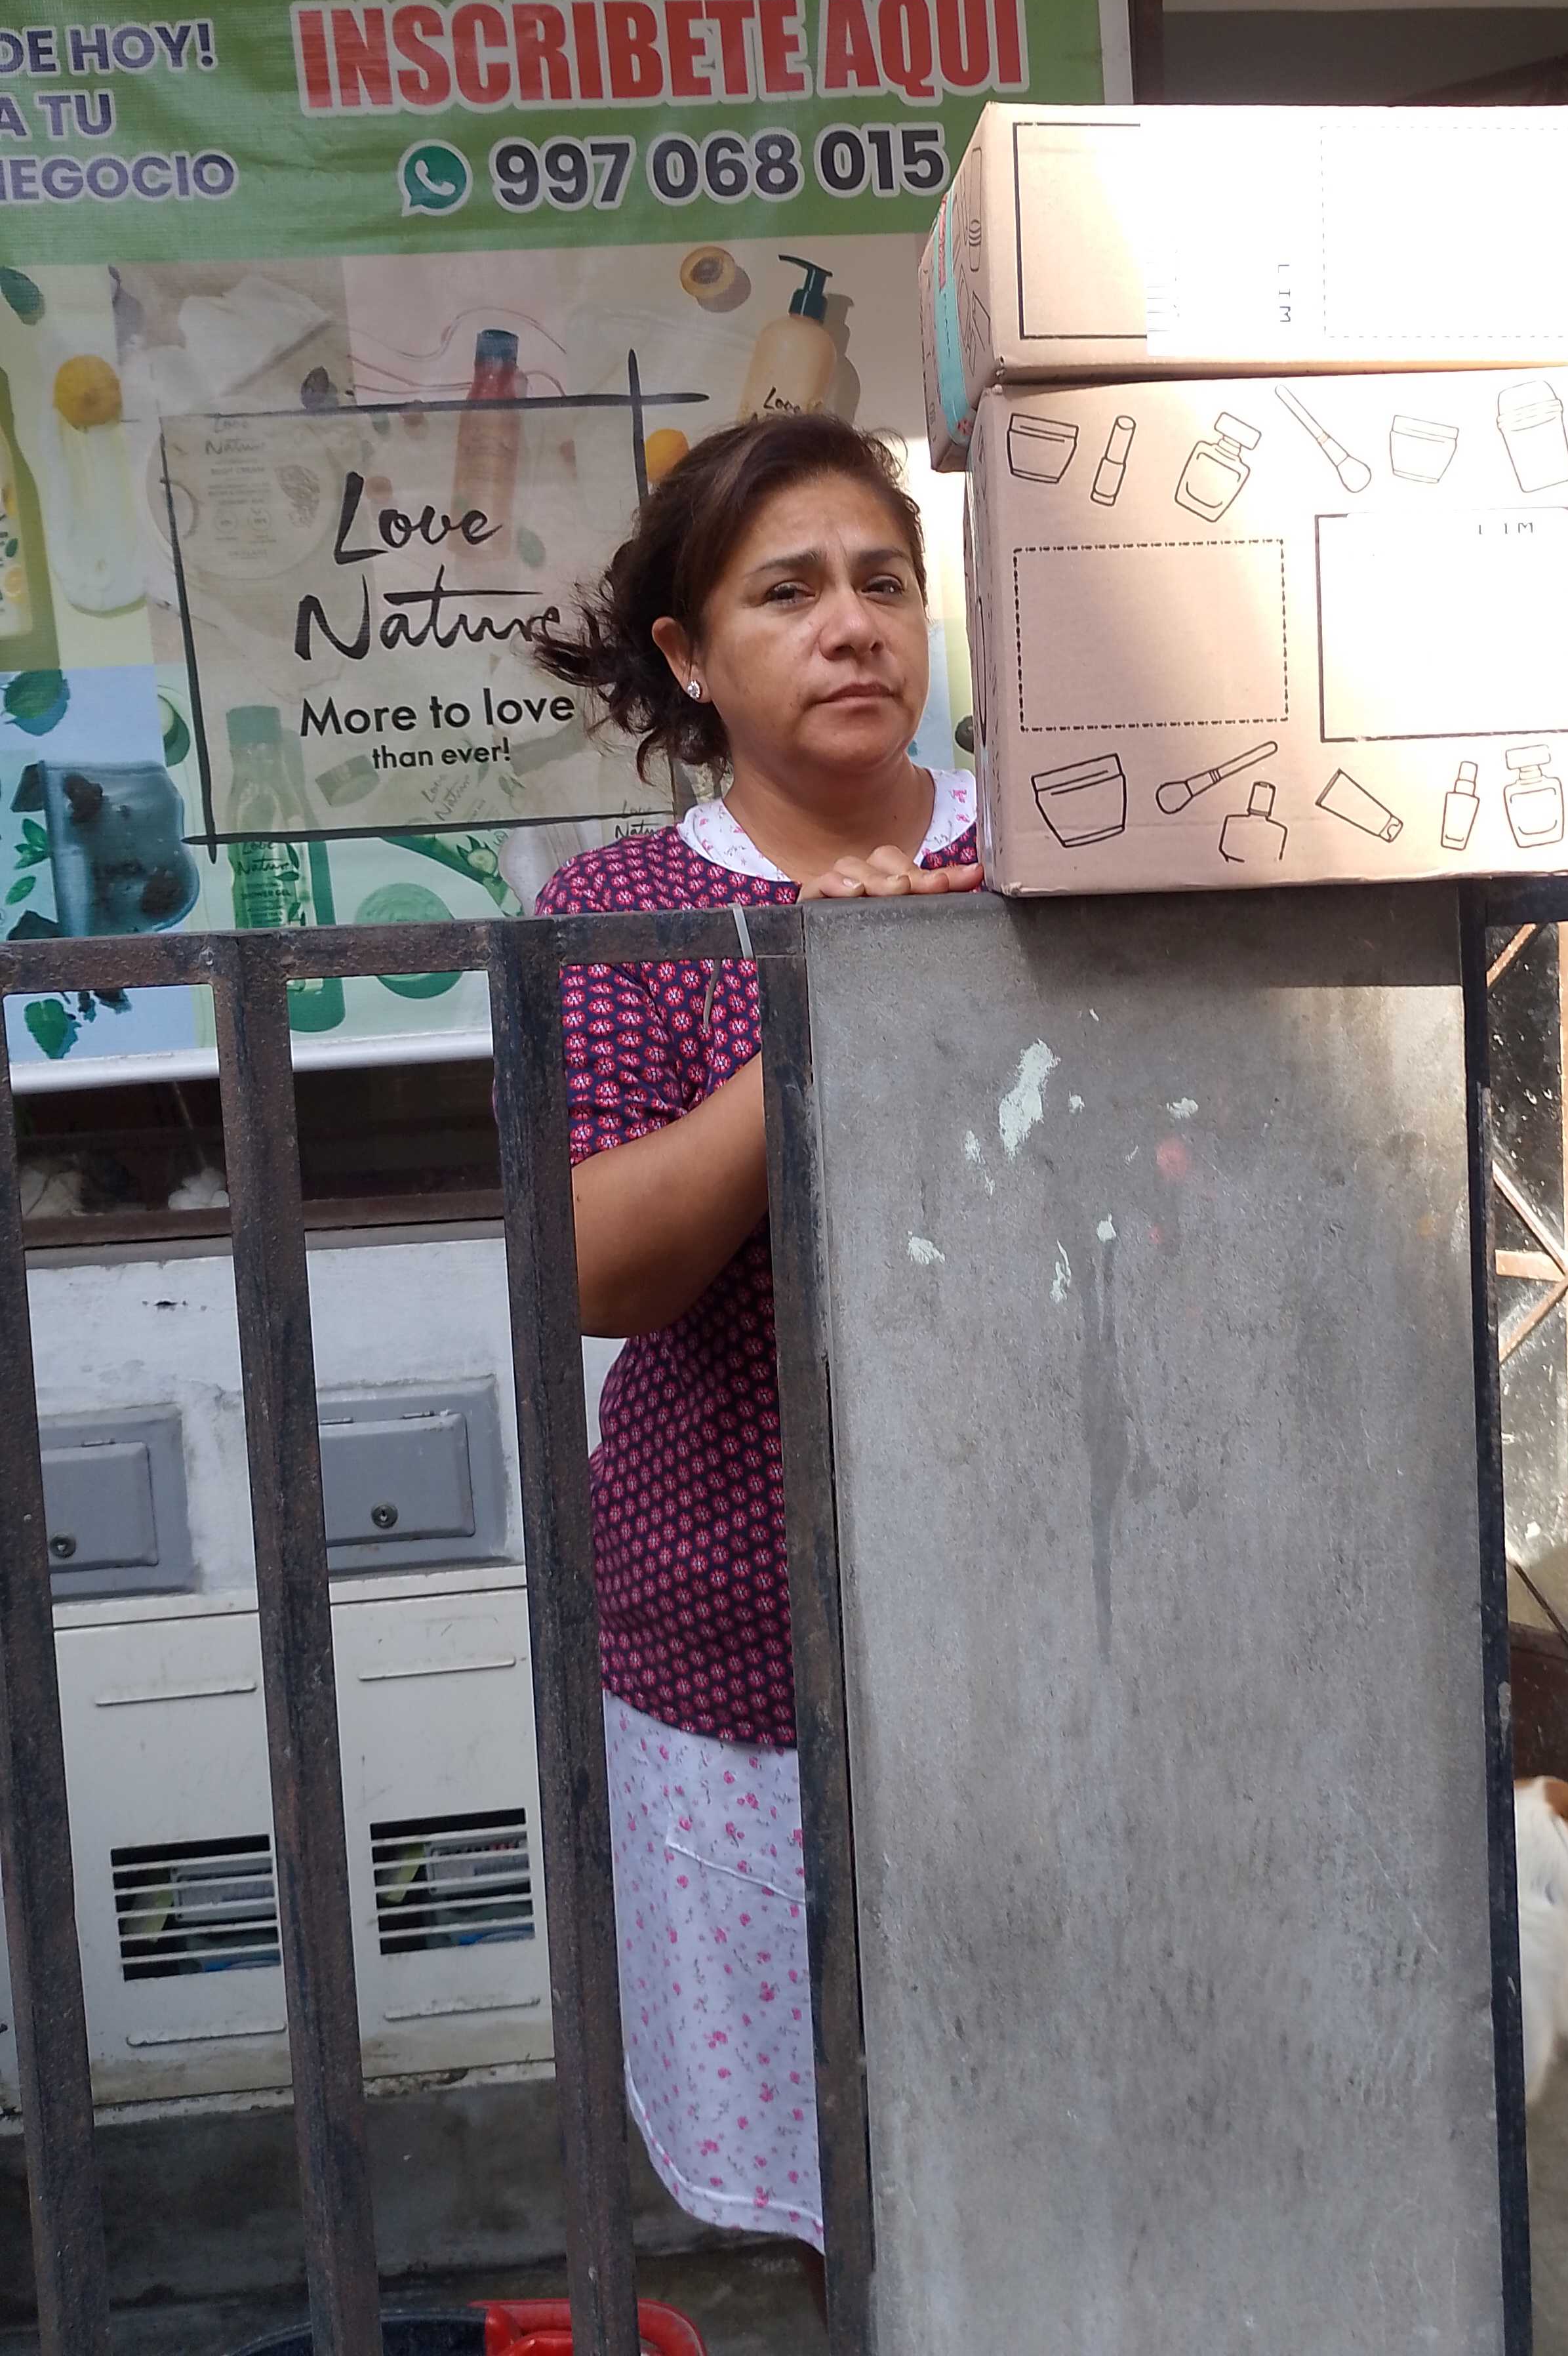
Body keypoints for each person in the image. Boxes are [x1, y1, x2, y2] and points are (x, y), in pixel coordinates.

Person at [531, 413, 982, 2272]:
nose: (852, 625)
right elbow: (597, 1269)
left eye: (885, 582)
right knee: (837, 2172)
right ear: (691, 657)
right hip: (744, 1634)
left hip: (1048, 1602)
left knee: (1056, 2109)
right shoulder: (621, 915)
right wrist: (821, 1005)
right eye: (787, 592)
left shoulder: (1055, 847)